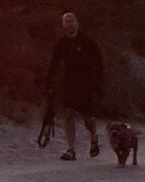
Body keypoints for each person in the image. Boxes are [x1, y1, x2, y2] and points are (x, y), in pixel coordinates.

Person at [43, 12, 106, 161]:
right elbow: (54, 63)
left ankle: (94, 136)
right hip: (68, 83)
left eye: (71, 21)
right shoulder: (61, 43)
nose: (69, 24)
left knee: (87, 118)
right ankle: (71, 150)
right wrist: (49, 82)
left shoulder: (87, 41)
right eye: (66, 22)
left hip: (86, 83)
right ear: (63, 25)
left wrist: (99, 82)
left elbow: (99, 62)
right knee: (68, 114)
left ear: (77, 22)